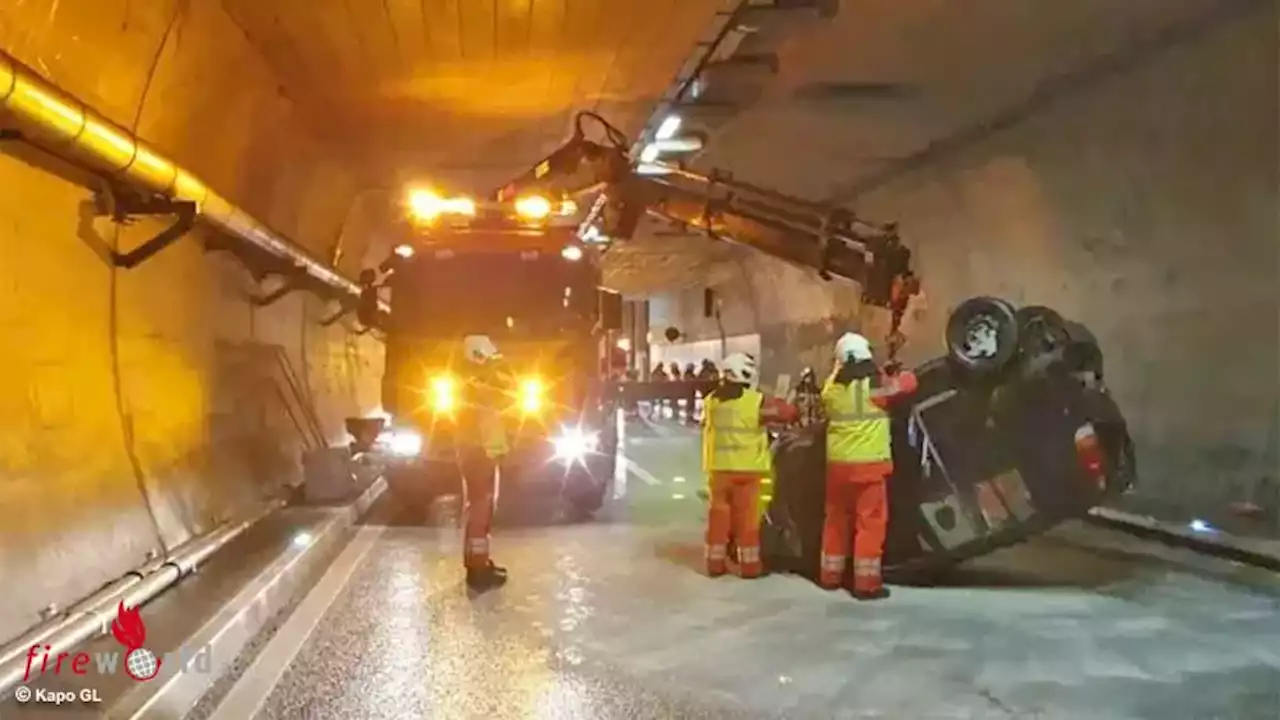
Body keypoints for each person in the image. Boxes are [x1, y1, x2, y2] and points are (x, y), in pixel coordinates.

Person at [819, 332, 918, 600]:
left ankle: (830, 576)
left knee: (836, 521)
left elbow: (847, 377)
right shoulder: (876, 388)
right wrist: (898, 372)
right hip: (869, 467)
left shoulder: (831, 390)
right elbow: (907, 384)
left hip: (838, 468)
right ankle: (866, 583)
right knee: (869, 523)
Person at [702, 353, 798, 578]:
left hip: (718, 470)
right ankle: (750, 566)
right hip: (747, 471)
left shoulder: (711, 401)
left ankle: (715, 564)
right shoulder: (753, 401)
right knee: (747, 521)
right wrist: (787, 403)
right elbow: (785, 414)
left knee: (718, 519)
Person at [457, 335, 511, 591]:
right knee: (480, 513)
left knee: (481, 511)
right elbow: (507, 396)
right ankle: (478, 571)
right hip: (480, 456)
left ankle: (478, 563)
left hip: (480, 455)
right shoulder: (475, 387)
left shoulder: (473, 384)